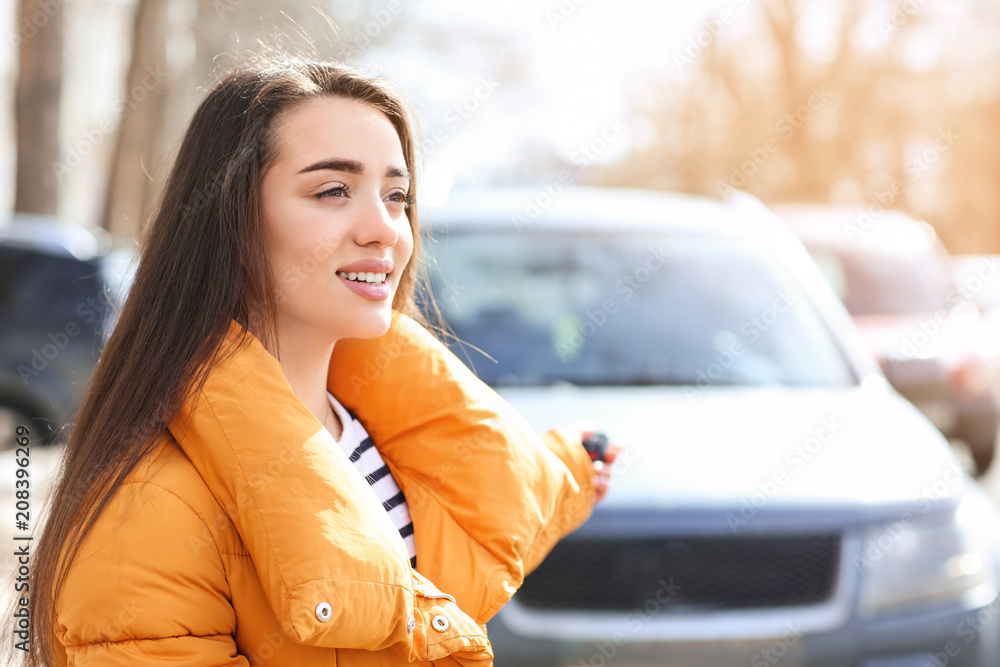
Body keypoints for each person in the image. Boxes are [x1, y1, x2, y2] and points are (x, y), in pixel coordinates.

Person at [20, 53, 617, 666]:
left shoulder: (375, 432)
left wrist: (572, 468)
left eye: (396, 195)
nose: (384, 228)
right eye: (333, 190)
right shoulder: (149, 511)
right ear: (231, 221)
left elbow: (482, 516)